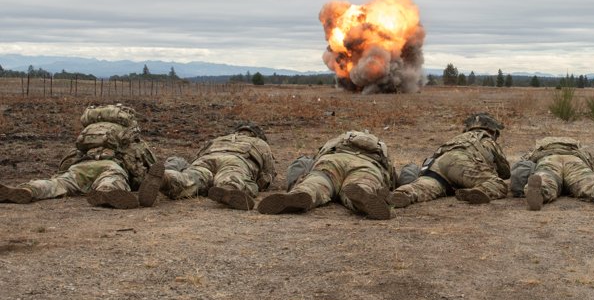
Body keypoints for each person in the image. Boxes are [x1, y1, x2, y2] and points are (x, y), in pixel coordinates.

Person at [0, 104, 161, 209]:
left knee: (59, 183)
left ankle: (28, 189)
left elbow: (69, 158)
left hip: (81, 166)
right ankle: (106, 192)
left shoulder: (90, 135)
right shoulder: (132, 141)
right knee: (112, 180)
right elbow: (150, 167)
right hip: (110, 166)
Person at [258, 130, 395, 220]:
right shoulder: (381, 148)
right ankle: (361, 197)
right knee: (362, 185)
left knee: (317, 182)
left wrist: (296, 182)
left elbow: (308, 161)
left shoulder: (339, 140)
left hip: (333, 160)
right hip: (367, 166)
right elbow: (392, 177)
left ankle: (303, 192)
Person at [387, 113, 510, 207]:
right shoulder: (486, 139)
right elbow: (505, 172)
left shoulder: (457, 138)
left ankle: (402, 194)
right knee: (498, 184)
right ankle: (477, 191)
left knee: (423, 187)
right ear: (492, 131)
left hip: (438, 164)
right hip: (461, 164)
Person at [156, 123, 275, 210]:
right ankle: (228, 188)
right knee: (232, 176)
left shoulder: (217, 139)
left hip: (207, 159)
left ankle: (167, 178)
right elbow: (267, 173)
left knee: (191, 178)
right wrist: (260, 184)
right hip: (235, 160)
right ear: (257, 135)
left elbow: (196, 159)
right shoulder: (260, 143)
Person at [521, 137, 594, 211]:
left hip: (549, 159)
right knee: (586, 182)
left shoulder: (541, 147)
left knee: (546, 178)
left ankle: (541, 190)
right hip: (575, 159)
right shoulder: (578, 148)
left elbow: (525, 162)